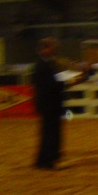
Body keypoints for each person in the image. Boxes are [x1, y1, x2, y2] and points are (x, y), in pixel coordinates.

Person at [32, 37, 66, 169]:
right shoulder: (43, 65)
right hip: (49, 104)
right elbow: (50, 85)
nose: (55, 49)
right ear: (45, 48)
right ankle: (47, 160)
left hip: (50, 103)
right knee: (50, 133)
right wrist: (65, 82)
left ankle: (47, 158)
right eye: (53, 47)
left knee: (50, 132)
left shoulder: (46, 63)